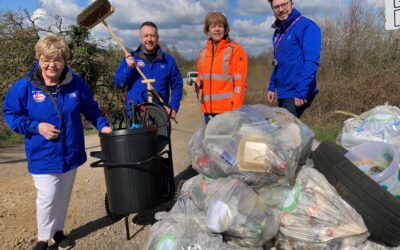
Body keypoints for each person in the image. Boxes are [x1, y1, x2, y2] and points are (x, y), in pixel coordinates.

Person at [2, 33, 112, 250]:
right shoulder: (24, 87)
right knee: (48, 196)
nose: (51, 65)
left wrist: (103, 125)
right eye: (46, 59)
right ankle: (43, 239)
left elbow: (90, 108)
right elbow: (11, 115)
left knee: (63, 195)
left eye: (57, 59)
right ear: (39, 59)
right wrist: (37, 127)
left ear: (64, 60)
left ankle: (59, 232)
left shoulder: (75, 83)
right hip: (43, 154)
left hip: (71, 152)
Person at [114, 21, 183, 120]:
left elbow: (177, 85)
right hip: (135, 116)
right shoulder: (129, 58)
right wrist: (129, 68)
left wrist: (174, 107)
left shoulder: (168, 61)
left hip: (160, 115)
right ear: (140, 38)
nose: (149, 39)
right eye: (146, 36)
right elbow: (118, 84)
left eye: (152, 36)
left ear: (157, 37)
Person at [266, 0, 321, 118]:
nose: (280, 9)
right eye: (276, 7)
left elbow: (311, 62)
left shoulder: (307, 26)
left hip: (297, 91)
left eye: (284, 4)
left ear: (292, 3)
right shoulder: (278, 32)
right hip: (283, 92)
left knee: (285, 132)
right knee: (286, 131)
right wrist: (272, 86)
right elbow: (277, 63)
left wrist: (301, 90)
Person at [194, 11, 248, 124]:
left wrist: (235, 109)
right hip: (208, 111)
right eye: (213, 26)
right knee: (210, 141)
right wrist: (199, 82)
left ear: (225, 29)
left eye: (220, 26)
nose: (217, 29)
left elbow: (240, 84)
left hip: (228, 112)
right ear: (208, 30)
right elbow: (201, 76)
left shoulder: (235, 50)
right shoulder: (202, 53)